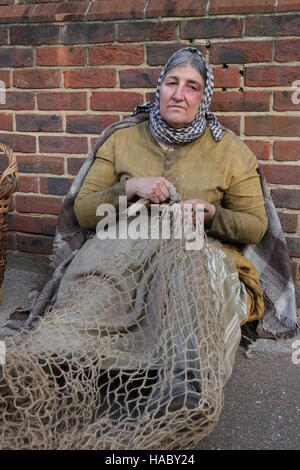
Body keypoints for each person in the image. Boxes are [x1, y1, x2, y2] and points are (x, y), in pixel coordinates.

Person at [0, 47, 269, 450]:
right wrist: (129, 188)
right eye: (172, 83)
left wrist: (211, 213)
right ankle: (45, 362)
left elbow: (255, 224)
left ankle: (185, 379)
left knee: (190, 271)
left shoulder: (229, 150)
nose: (179, 94)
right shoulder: (123, 138)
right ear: (159, 88)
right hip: (121, 248)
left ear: (203, 97)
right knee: (99, 288)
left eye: (191, 87)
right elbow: (85, 211)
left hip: (194, 249)